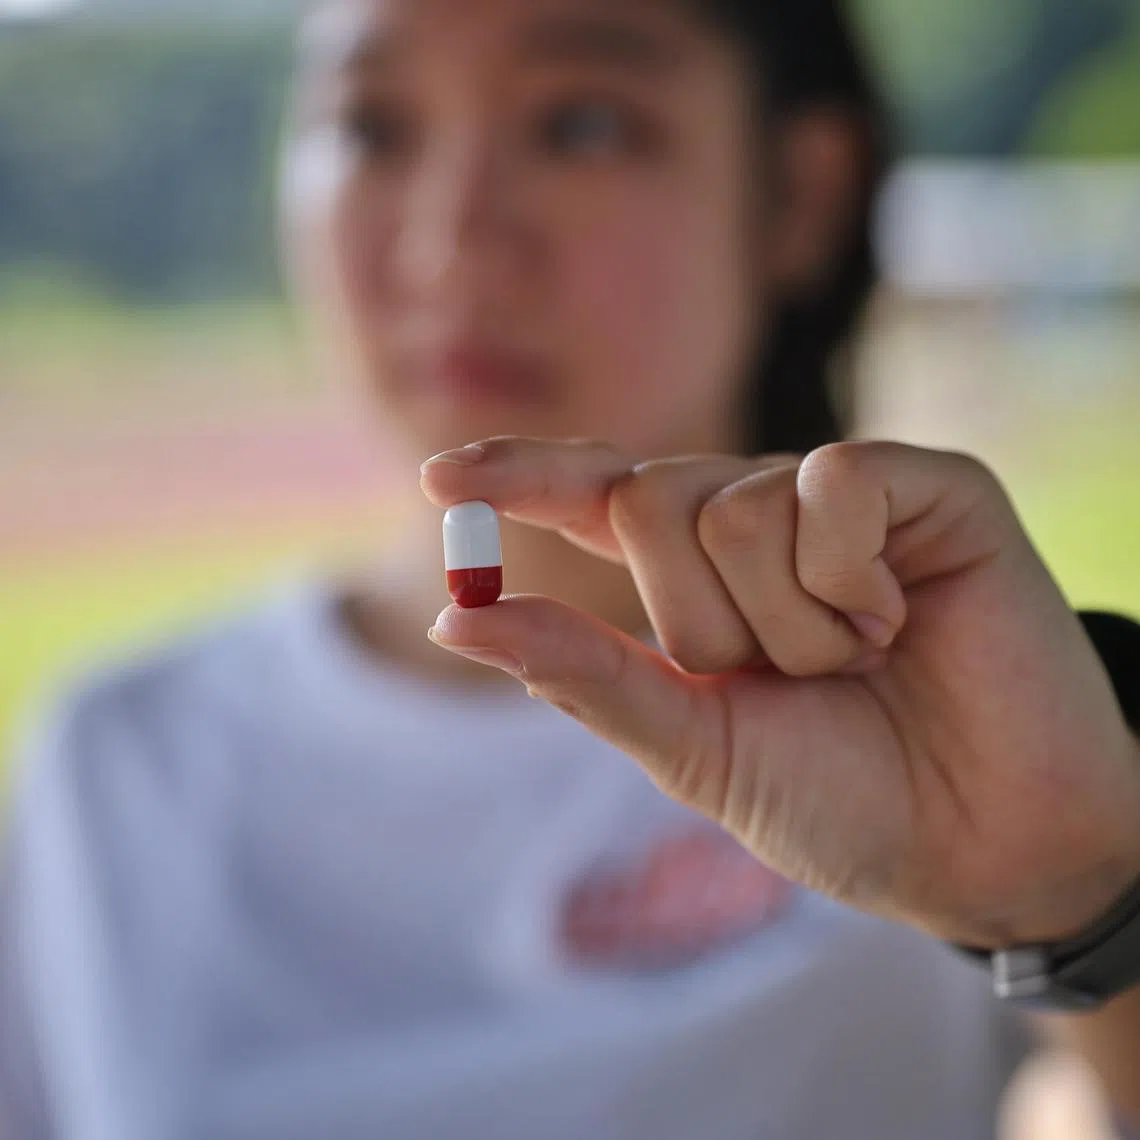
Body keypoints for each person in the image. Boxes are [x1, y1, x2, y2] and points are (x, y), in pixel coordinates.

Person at [2, 0, 1139, 1137]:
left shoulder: (937, 702)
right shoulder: (116, 769)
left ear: (803, 194)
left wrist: (1077, 904)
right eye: (372, 129)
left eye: (583, 125)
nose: (453, 239)